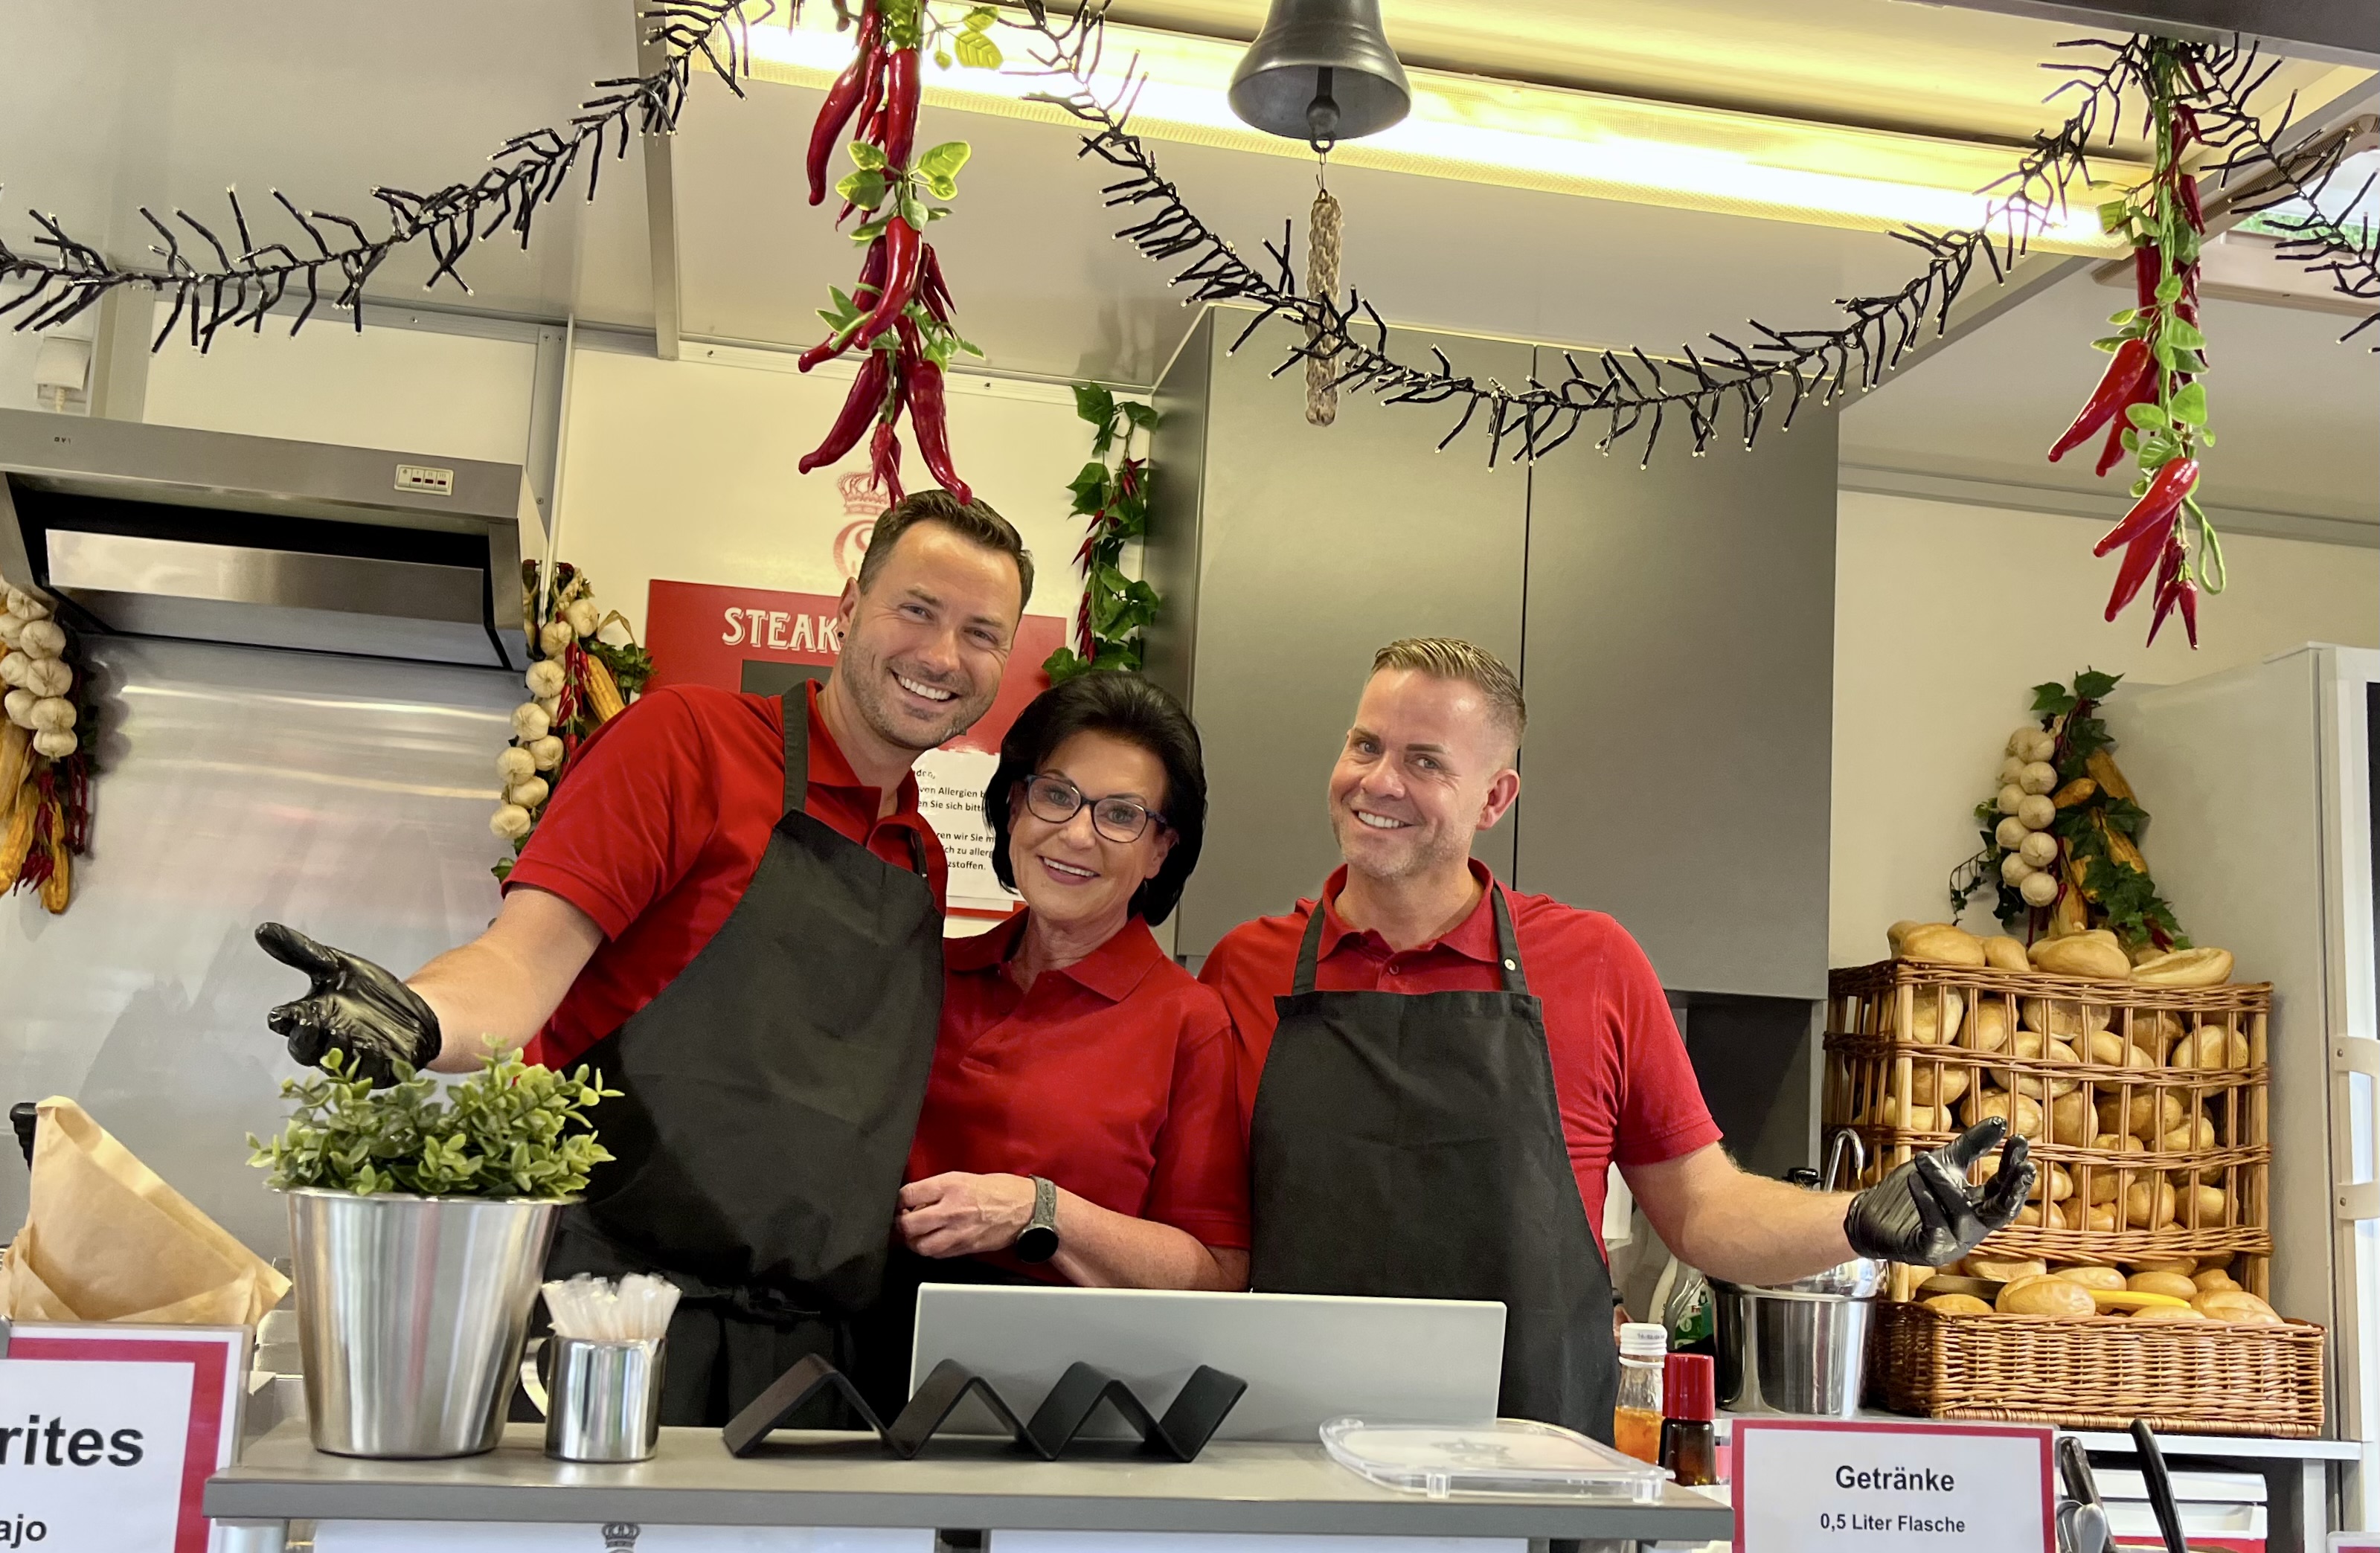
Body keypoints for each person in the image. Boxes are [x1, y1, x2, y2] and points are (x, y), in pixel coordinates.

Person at [254, 489, 1034, 1425]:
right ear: (847, 610)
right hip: (616, 1328)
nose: (943, 655)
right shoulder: (687, 744)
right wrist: (425, 1018)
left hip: (817, 1371)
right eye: (917, 609)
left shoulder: (921, 855)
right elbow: (520, 963)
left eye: (981, 632)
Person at [1199, 637, 2032, 1441]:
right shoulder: (1245, 967)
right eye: (1364, 744)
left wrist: (1858, 1222)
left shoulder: (1592, 962)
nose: (1377, 780)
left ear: (1494, 798)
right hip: (1299, 1465)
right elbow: (1212, 1247)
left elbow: (1704, 1209)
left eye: (1425, 761)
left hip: (1534, 1465)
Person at [856, 672, 1248, 1409]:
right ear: (1014, 804)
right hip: (853, 1364)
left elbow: (1215, 1276)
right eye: (1056, 794)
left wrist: (1039, 1211)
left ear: (1161, 850)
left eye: (1121, 815)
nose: (1075, 834)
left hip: (1050, 1399)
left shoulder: (1188, 1023)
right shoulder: (926, 972)